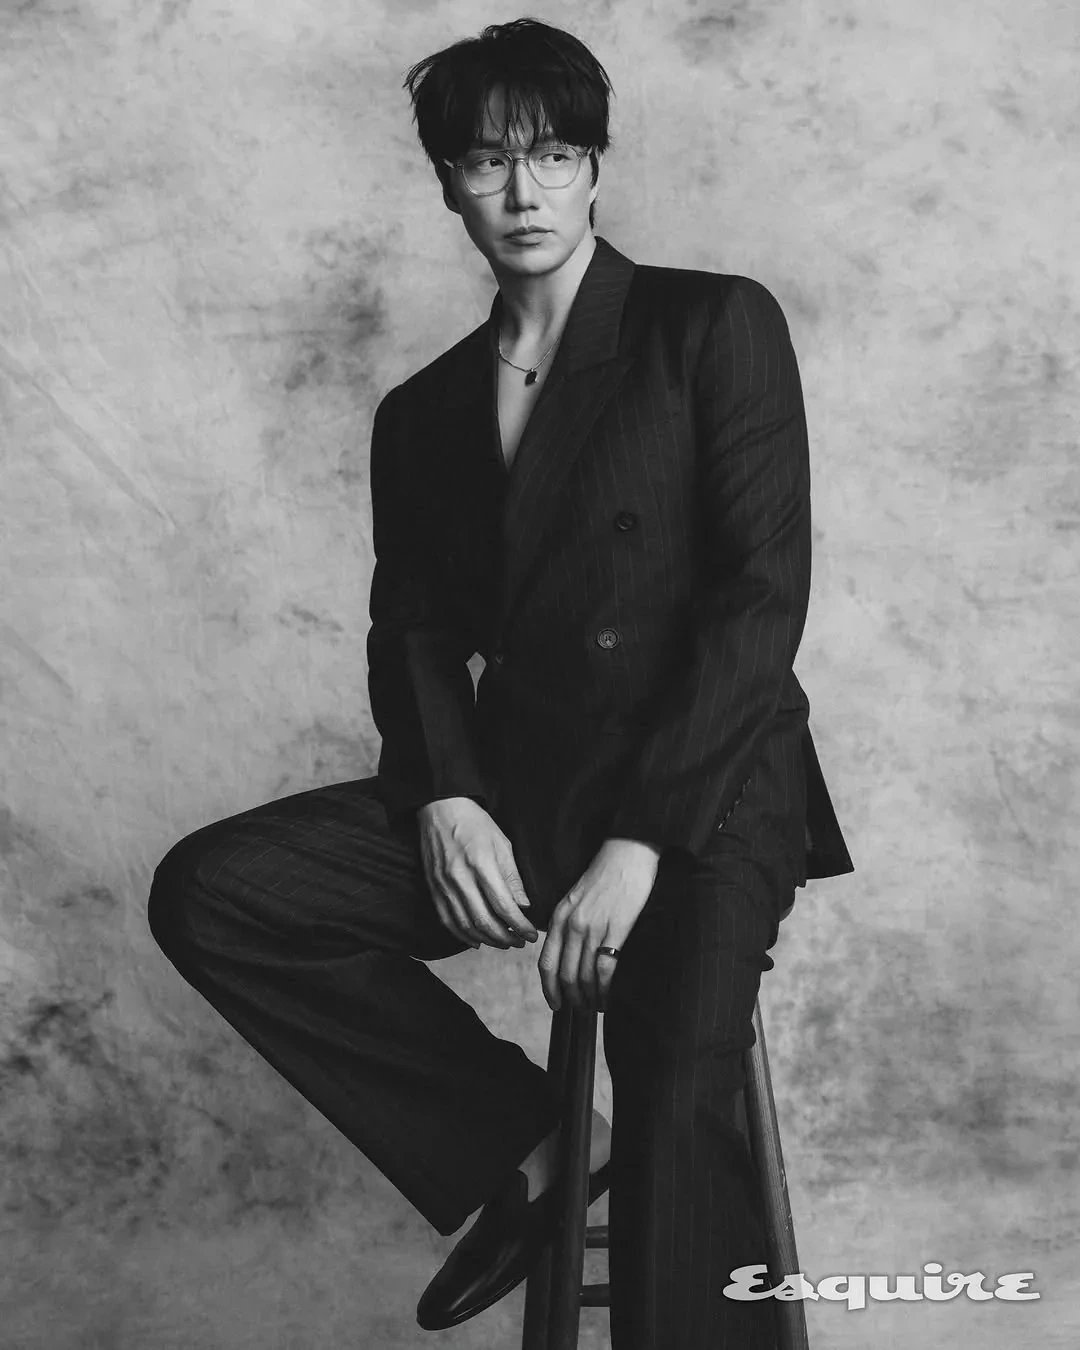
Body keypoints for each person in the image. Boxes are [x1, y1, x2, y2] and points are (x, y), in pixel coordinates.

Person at [146, 17, 854, 1349]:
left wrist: (642, 843)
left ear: (595, 168)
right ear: (448, 185)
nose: (523, 192)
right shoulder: (421, 414)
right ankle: (532, 1150)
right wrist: (446, 798)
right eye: (487, 162)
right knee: (219, 893)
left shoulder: (709, 325)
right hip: (523, 794)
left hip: (706, 799)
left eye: (553, 157)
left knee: (675, 1085)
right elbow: (411, 635)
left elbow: (759, 605)